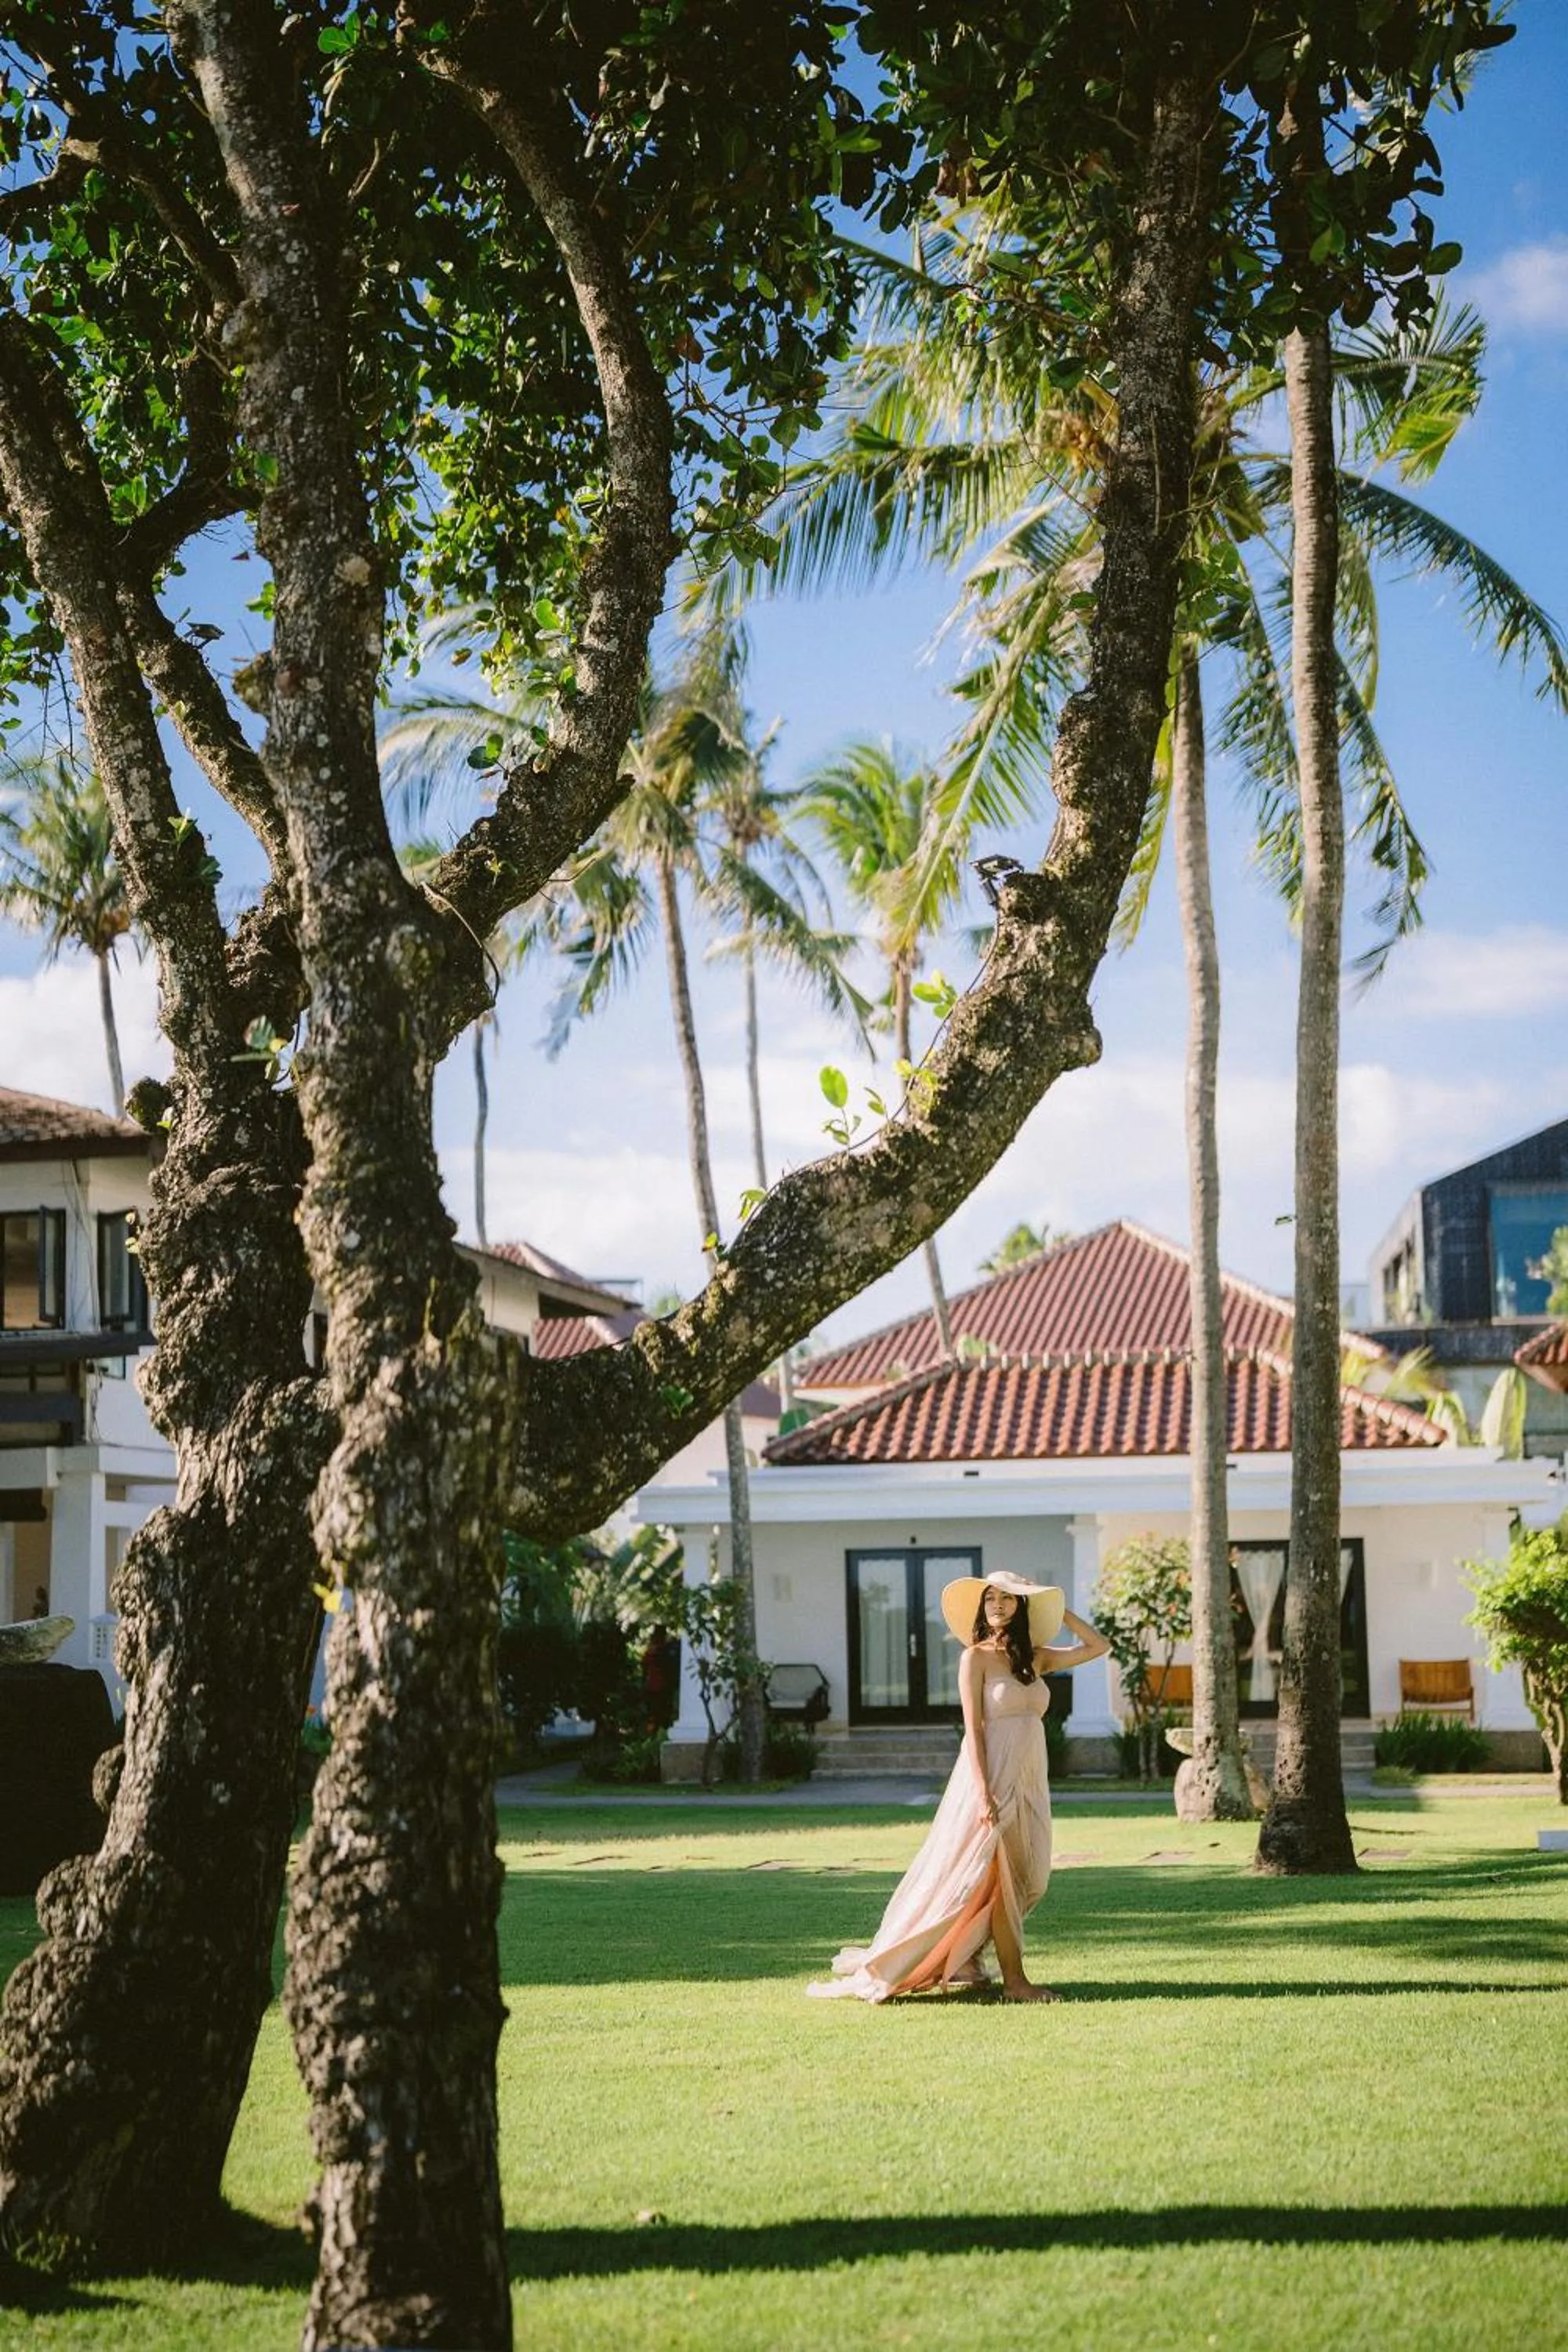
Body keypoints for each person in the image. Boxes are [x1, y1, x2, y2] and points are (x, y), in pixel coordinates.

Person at [808, 1570, 1110, 2004]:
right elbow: (973, 1729)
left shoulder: (1035, 1659)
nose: (999, 1605)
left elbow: (1098, 1646)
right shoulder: (976, 1659)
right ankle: (1016, 1983)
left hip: (1030, 1781)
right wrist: (985, 1791)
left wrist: (1056, 1607)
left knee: (1032, 1879)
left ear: (1021, 1605)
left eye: (1008, 1598)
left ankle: (967, 1957)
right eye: (991, 1599)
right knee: (996, 1881)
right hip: (990, 1781)